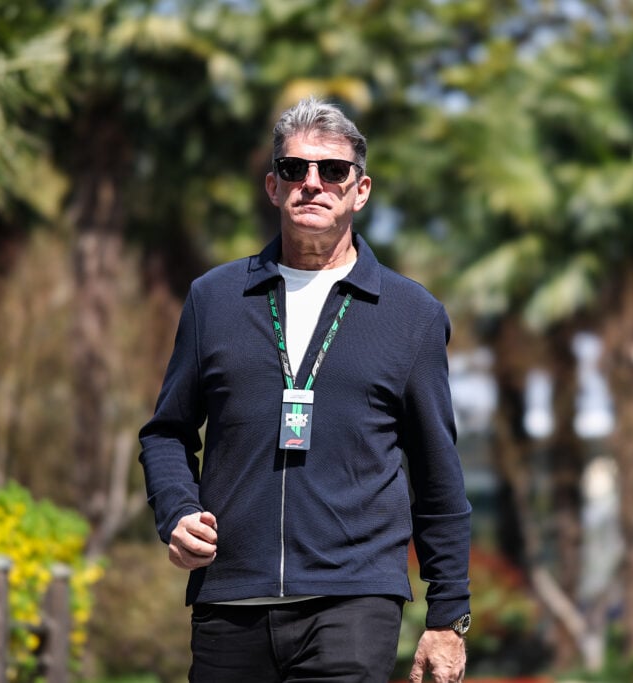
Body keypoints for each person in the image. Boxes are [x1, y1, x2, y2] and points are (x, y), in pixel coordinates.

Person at [139, 96, 472, 682]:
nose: (312, 183)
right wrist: (177, 512)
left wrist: (448, 617)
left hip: (354, 601)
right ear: (273, 186)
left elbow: (436, 470)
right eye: (294, 168)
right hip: (230, 596)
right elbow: (166, 432)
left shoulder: (411, 315)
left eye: (332, 170)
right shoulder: (214, 300)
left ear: (360, 190)